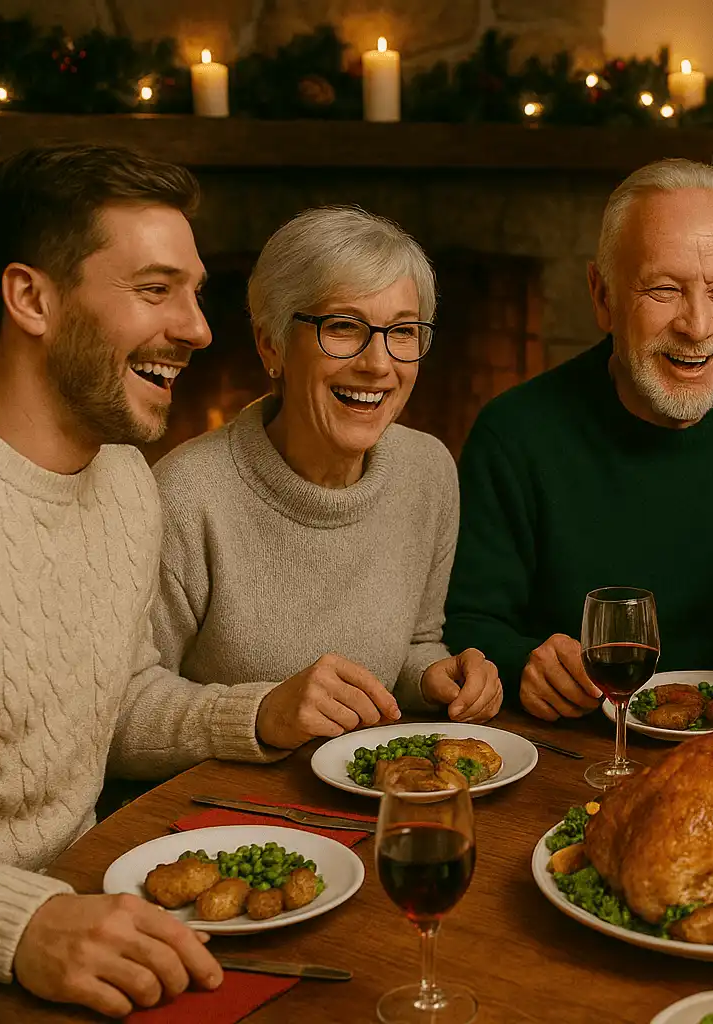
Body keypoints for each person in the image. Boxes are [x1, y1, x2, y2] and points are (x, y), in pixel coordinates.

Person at [0, 144, 224, 1017]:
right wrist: (20, 925)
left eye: (195, 291)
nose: (197, 328)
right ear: (31, 298)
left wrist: (258, 714)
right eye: (156, 289)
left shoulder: (126, 483)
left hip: (95, 904)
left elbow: (96, 708)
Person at [444, 158, 713, 722]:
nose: (697, 326)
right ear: (602, 295)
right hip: (573, 745)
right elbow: (468, 624)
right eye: (664, 289)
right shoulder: (513, 432)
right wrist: (521, 660)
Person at [150, 206, 502, 747]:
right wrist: (260, 714)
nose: (379, 364)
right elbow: (123, 707)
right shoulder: (185, 494)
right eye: (342, 327)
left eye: (403, 331)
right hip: (222, 797)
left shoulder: (428, 470)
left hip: (362, 786)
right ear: (271, 344)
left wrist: (433, 678)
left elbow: (414, 643)